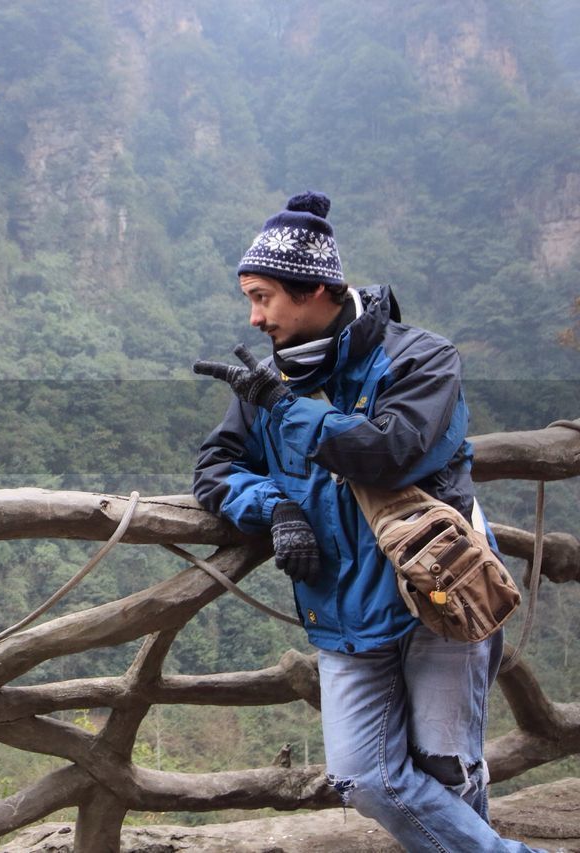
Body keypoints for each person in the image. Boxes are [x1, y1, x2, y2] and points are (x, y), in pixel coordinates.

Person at [190, 191, 541, 852]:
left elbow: (386, 452)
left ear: (316, 289)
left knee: (447, 767)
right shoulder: (270, 382)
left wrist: (283, 409)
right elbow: (215, 468)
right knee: (364, 777)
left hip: (434, 592)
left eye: (263, 297)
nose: (254, 316)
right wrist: (277, 507)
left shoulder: (421, 360)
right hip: (340, 608)